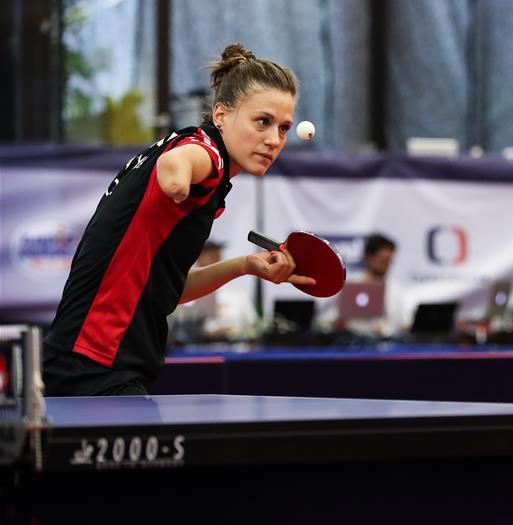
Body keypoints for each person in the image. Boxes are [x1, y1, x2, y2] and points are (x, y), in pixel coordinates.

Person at [42, 43, 314, 396]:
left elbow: (171, 288)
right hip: (93, 364)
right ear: (220, 115)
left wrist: (246, 265)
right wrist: (176, 181)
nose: (274, 139)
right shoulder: (207, 153)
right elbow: (178, 163)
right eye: (262, 121)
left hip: (96, 361)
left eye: (283, 128)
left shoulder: (204, 167)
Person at [168, 240, 258, 343]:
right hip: (194, 348)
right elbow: (176, 326)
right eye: (209, 254)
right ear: (198, 258)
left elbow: (253, 326)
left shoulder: (237, 295)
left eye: (217, 253)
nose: (215, 257)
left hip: (234, 347)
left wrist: (235, 332)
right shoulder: (184, 291)